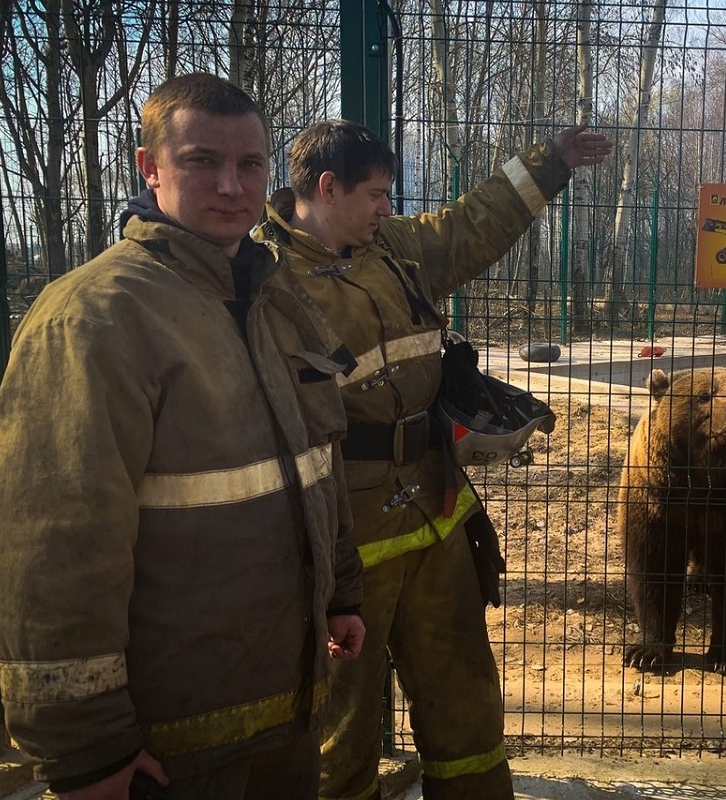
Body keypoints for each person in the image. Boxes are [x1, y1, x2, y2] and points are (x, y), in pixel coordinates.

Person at [0, 72, 365, 799]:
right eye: (201, 161)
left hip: (287, 713)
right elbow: (52, 547)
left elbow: (316, 461)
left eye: (250, 165)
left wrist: (340, 591)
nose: (231, 185)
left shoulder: (270, 298)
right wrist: (88, 751)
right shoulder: (94, 317)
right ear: (150, 167)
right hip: (170, 747)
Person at [254, 118, 610, 800]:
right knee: (340, 729)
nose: (388, 207)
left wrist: (552, 161)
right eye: (377, 195)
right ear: (327, 188)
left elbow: (473, 223)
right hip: (343, 545)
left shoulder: (395, 251)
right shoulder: (265, 284)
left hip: (437, 514)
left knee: (467, 704)